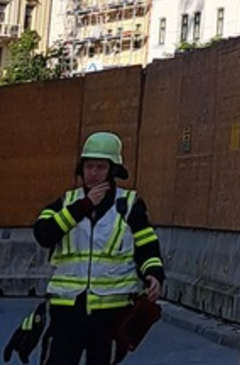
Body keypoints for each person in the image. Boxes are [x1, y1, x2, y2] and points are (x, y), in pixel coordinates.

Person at [33, 132, 165, 365]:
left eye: (100, 167)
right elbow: (43, 234)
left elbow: (148, 246)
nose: (92, 173)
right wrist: (82, 207)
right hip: (68, 308)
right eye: (88, 167)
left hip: (111, 311)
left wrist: (153, 274)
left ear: (112, 171)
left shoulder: (129, 205)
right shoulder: (66, 202)